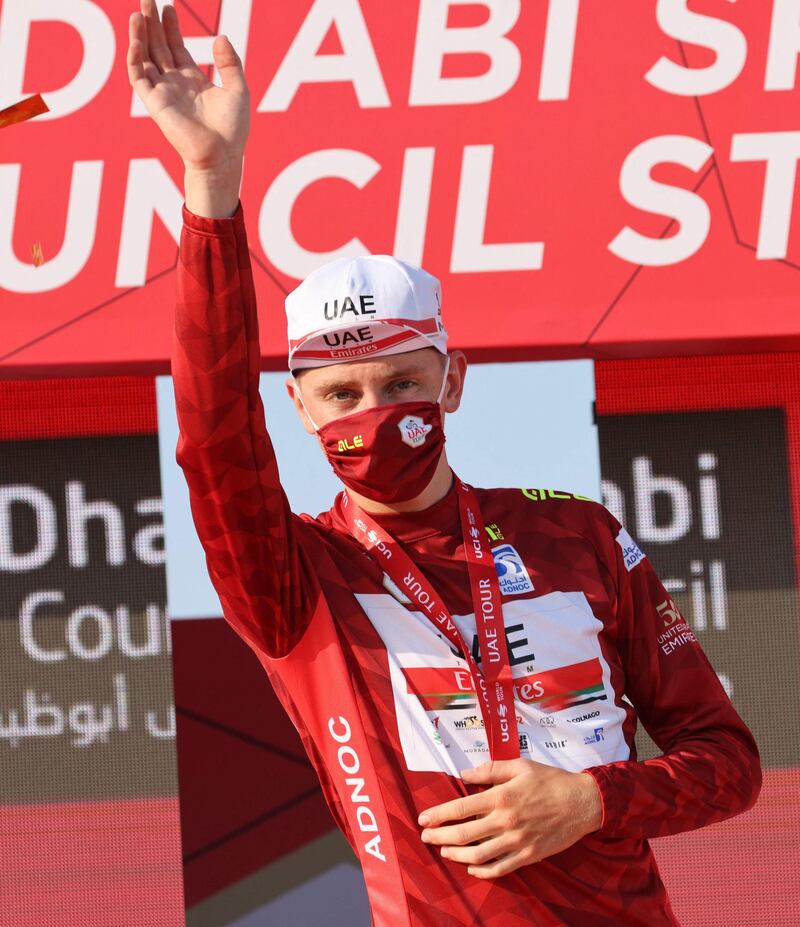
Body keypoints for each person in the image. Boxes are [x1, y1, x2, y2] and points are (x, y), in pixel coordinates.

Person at [127, 3, 761, 925]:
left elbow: (729, 764)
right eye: (339, 394)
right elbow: (214, 435)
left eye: (399, 382)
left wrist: (592, 799)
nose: (373, 413)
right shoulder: (293, 581)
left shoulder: (575, 531)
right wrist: (212, 188)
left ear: (453, 380)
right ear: (297, 407)